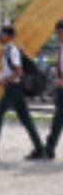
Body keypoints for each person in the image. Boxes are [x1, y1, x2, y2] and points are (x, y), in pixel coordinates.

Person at [0, 25, 46, 161]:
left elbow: (18, 72)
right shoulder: (4, 51)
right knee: (25, 118)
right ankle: (40, 149)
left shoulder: (12, 50)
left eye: (2, 34)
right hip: (12, 87)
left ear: (9, 36)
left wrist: (4, 81)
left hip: (14, 87)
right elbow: (3, 74)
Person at [45, 19, 63, 159]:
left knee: (58, 117)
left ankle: (49, 147)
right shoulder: (60, 47)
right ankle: (49, 147)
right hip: (60, 88)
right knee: (58, 117)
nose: (57, 36)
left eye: (59, 33)